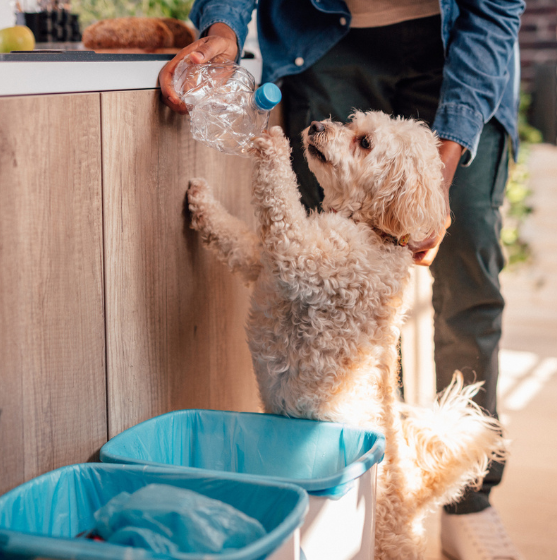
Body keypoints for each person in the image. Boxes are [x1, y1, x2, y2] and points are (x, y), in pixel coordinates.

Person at [159, 1, 525, 558]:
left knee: (468, 270)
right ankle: (361, 480)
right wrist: (225, 26)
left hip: (455, 46)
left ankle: (468, 503)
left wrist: (442, 163)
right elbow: (282, 264)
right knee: (326, 295)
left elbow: (497, 9)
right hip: (325, 41)